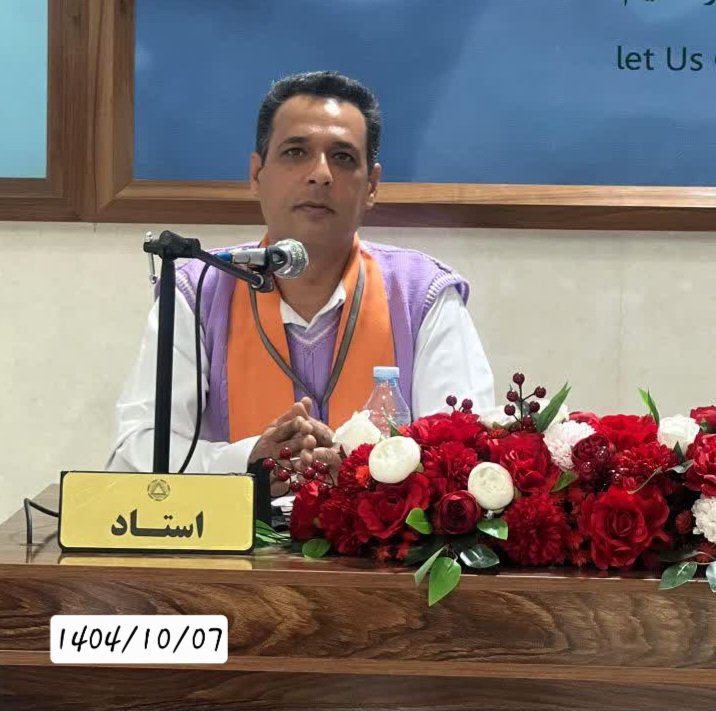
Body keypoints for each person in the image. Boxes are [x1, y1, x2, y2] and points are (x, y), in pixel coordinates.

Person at [107, 71, 494, 481]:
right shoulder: (200, 289)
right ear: (256, 175)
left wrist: (361, 474)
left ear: (372, 186)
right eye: (296, 152)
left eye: (343, 158)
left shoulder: (422, 295)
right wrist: (248, 460)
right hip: (234, 524)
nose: (320, 173)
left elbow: (465, 454)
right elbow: (138, 451)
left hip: (378, 523)